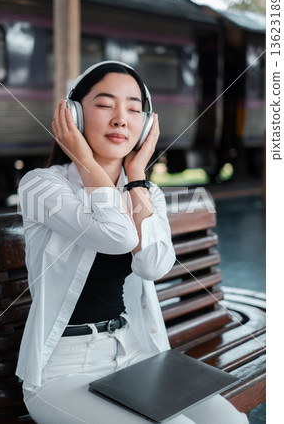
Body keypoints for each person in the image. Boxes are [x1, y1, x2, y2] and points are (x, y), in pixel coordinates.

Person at [16, 61, 249, 424]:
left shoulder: (144, 191)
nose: (121, 119)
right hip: (62, 370)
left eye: (134, 109)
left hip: (133, 354)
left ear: (146, 122)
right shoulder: (41, 186)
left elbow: (152, 265)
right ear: (73, 114)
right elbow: (117, 236)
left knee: (230, 420)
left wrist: (137, 177)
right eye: (105, 104)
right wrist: (85, 160)